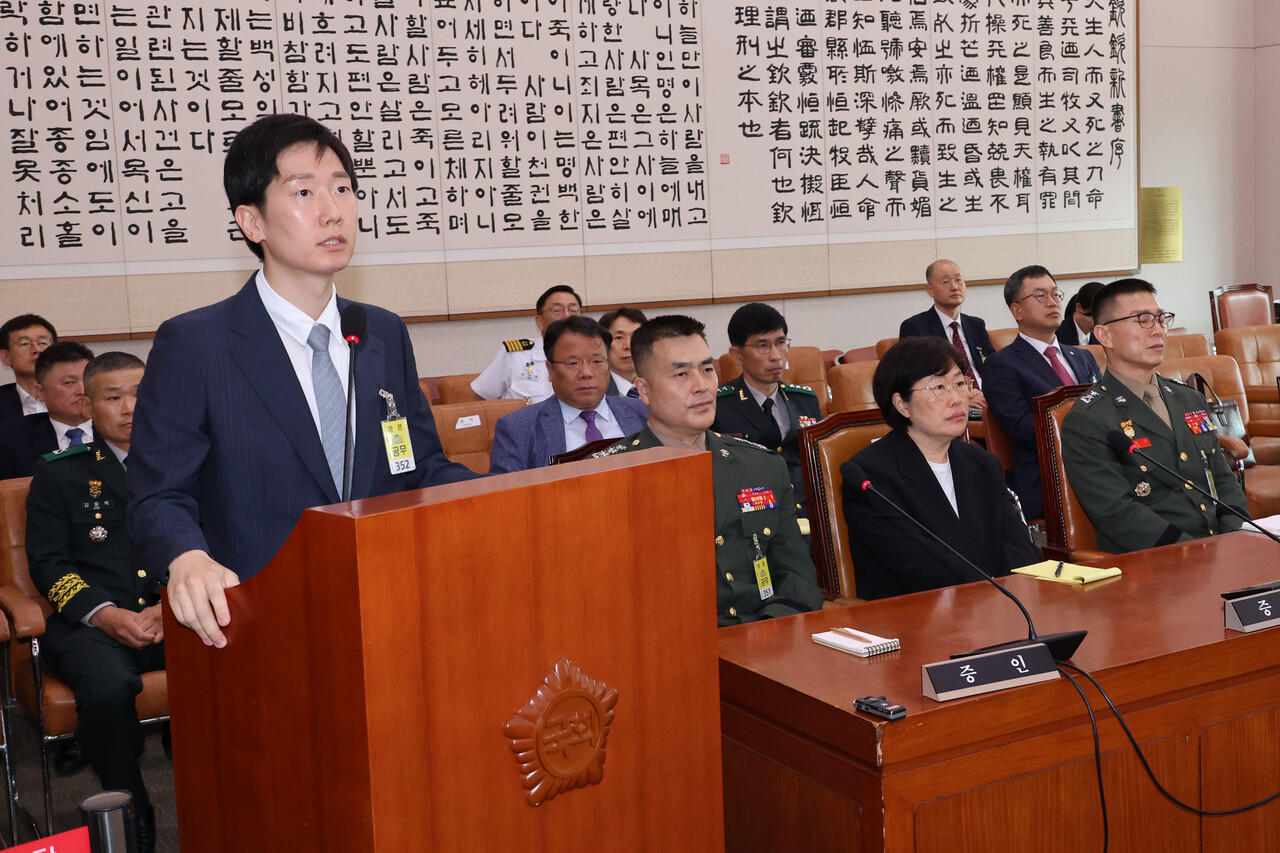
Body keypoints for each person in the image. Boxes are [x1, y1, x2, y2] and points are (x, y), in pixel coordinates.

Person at [127, 113, 477, 649]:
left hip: (391, 605)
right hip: (260, 619)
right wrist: (186, 556)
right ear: (252, 222)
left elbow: (417, 466)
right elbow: (159, 494)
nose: (332, 210)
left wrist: (508, 495)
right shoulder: (197, 343)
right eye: (304, 192)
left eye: (343, 188)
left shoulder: (380, 331)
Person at [593, 315, 824, 625]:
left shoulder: (762, 465)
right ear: (644, 390)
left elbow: (796, 574)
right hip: (665, 644)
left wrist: (769, 631)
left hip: (764, 635)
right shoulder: (604, 478)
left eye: (706, 370)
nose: (701, 387)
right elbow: (603, 600)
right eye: (681, 374)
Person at [25, 352, 162, 853]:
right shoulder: (60, 473)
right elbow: (48, 564)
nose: (130, 408)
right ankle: (130, 810)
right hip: (93, 623)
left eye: (140, 394)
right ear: (87, 406)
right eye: (113, 397)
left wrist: (171, 604)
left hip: (177, 612)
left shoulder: (191, 460)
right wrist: (104, 613)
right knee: (106, 689)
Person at [841, 337, 1040, 600]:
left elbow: (1019, 548)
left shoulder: (983, 463)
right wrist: (991, 596)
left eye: (959, 384)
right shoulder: (870, 476)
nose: (957, 399)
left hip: (998, 608)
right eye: (939, 387)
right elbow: (920, 567)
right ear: (902, 404)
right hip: (916, 616)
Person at [1062, 279, 1249, 553]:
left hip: (1219, 551)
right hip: (1156, 560)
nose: (1158, 330)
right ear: (1104, 335)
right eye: (1142, 320)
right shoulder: (1089, 418)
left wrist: (1234, 537)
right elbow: (1118, 514)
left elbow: (1222, 479)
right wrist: (1196, 553)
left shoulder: (1188, 398)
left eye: (1161, 319)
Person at [982, 266, 1101, 519]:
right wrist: (1091, 431)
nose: (1052, 302)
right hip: (1047, 477)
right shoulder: (1001, 364)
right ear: (1017, 310)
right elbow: (1022, 428)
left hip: (1099, 466)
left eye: (1055, 294)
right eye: (1040, 296)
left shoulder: (1083, 357)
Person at [488, 316, 647, 473]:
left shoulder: (643, 412)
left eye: (597, 362)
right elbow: (509, 489)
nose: (586, 373)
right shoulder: (517, 428)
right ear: (550, 370)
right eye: (573, 363)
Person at [711, 302, 823, 520]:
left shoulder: (806, 400)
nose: (776, 356)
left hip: (809, 518)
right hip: (753, 522)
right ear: (737, 355)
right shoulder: (718, 406)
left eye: (781, 343)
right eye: (762, 345)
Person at [898, 258, 992, 410]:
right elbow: (919, 377)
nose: (954, 287)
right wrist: (962, 395)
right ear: (930, 289)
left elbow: (992, 365)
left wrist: (990, 392)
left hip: (986, 398)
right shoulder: (915, 327)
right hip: (947, 402)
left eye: (958, 280)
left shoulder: (976, 325)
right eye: (945, 282)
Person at [470, 285, 583, 404]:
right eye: (557, 310)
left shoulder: (592, 356)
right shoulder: (515, 355)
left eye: (573, 310)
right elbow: (479, 399)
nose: (566, 316)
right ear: (540, 321)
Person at [0, 341, 94, 479]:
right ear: (41, 392)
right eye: (69, 383)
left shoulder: (119, 429)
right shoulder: (10, 437)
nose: (82, 390)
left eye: (87, 380)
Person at [0, 313, 57, 422]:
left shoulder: (79, 397)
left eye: (43, 343)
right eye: (25, 344)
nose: (37, 349)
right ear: (6, 357)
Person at [599, 307, 647, 398]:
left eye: (636, 336)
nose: (628, 346)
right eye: (619, 337)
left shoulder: (660, 386)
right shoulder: (596, 393)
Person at [1057, 281, 1105, 346]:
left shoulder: (1103, 335)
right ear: (1079, 307)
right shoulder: (1056, 336)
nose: (1099, 323)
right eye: (1094, 316)